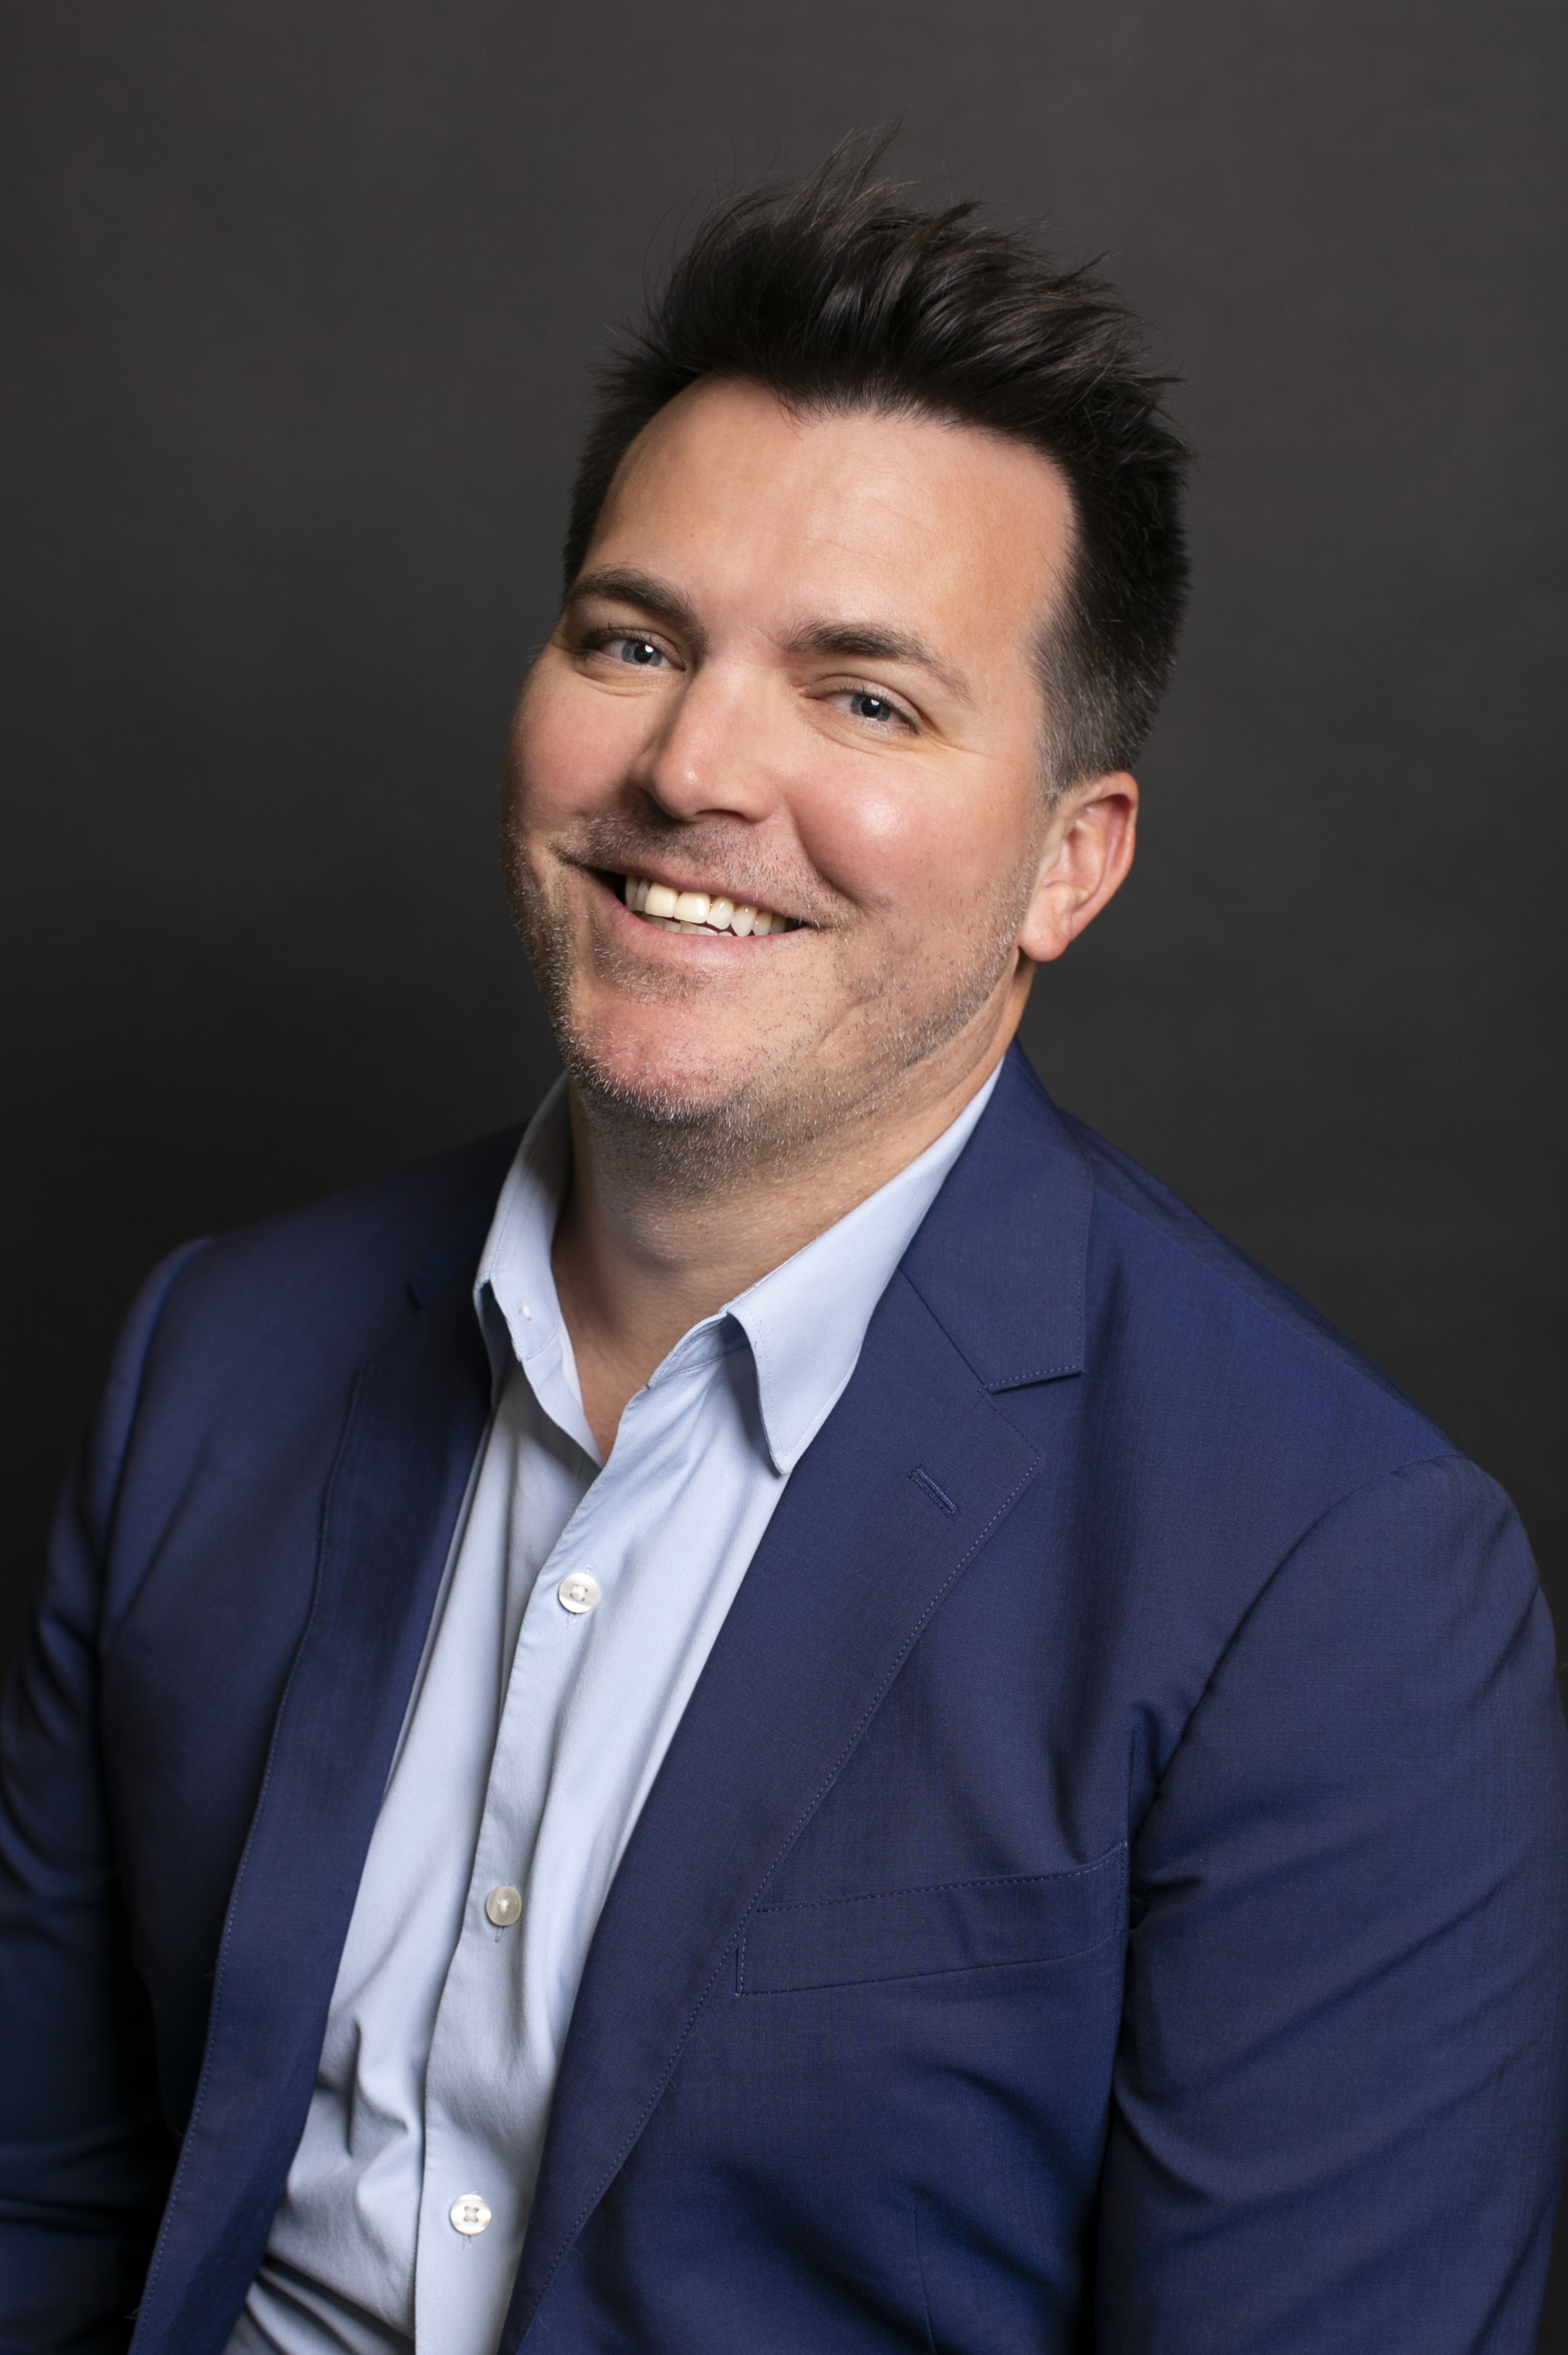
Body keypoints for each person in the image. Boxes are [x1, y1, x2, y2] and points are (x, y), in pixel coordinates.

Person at [2, 146, 1564, 2355]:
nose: (694, 768)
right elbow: (41, 2200)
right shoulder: (218, 1356)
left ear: (1070, 862)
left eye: (866, 697)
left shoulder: (1338, 1583)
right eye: (634, 641)